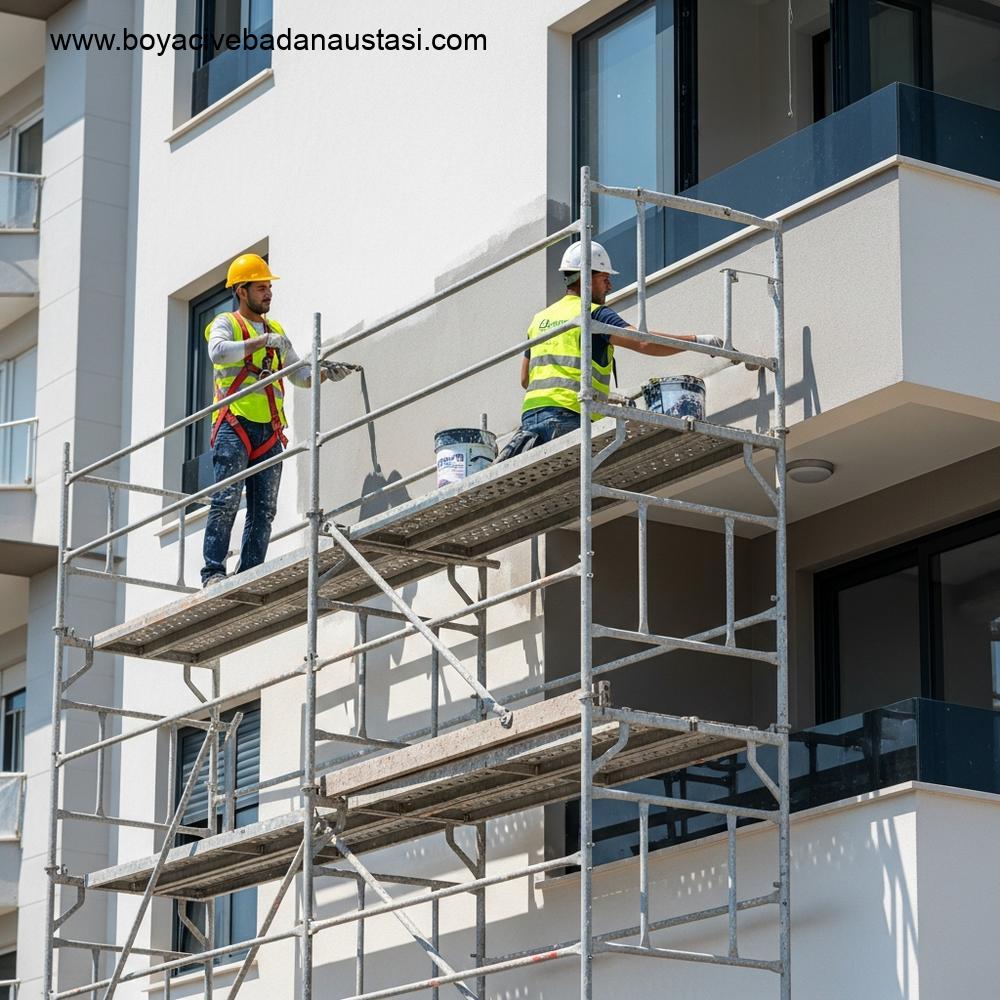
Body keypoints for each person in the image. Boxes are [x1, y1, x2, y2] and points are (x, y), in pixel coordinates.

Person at [200, 253, 349, 587]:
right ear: (241, 291)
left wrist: (323, 374)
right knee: (226, 500)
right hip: (234, 423)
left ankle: (249, 572)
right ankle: (213, 572)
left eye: (269, 288)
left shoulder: (275, 331)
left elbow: (298, 374)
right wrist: (263, 341)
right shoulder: (227, 324)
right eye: (261, 287)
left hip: (268, 430)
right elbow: (218, 352)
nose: (268, 294)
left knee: (264, 509)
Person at [518, 241, 723, 445]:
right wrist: (698, 341)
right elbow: (644, 343)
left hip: (530, 420)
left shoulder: (539, 320)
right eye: (605, 278)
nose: (610, 286)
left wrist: (602, 397)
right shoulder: (592, 313)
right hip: (570, 416)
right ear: (586, 278)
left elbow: (526, 379)